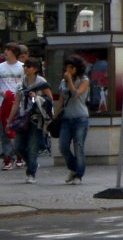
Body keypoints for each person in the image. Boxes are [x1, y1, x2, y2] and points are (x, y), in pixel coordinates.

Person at [10, 58, 53, 183]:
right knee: (18, 146)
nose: (25, 69)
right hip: (23, 118)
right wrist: (10, 120)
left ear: (35, 69)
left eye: (28, 67)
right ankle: (32, 164)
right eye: (25, 67)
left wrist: (37, 97)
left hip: (36, 118)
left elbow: (49, 100)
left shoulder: (42, 83)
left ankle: (31, 173)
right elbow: (16, 102)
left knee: (32, 146)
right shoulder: (20, 84)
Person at [58, 54, 90, 185]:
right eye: (67, 67)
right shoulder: (63, 81)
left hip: (80, 118)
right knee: (63, 146)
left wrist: (70, 80)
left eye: (71, 67)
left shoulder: (84, 80)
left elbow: (76, 94)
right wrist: (55, 115)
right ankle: (73, 167)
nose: (68, 69)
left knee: (79, 146)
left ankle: (79, 175)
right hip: (66, 117)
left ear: (77, 68)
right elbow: (61, 98)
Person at [0, 42, 24, 169]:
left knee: (18, 131)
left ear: (14, 53)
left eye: (7, 50)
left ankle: (20, 155)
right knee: (5, 132)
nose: (5, 53)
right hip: (3, 103)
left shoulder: (22, 67)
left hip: (19, 104)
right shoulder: (0, 67)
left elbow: (26, 84)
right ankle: (7, 158)